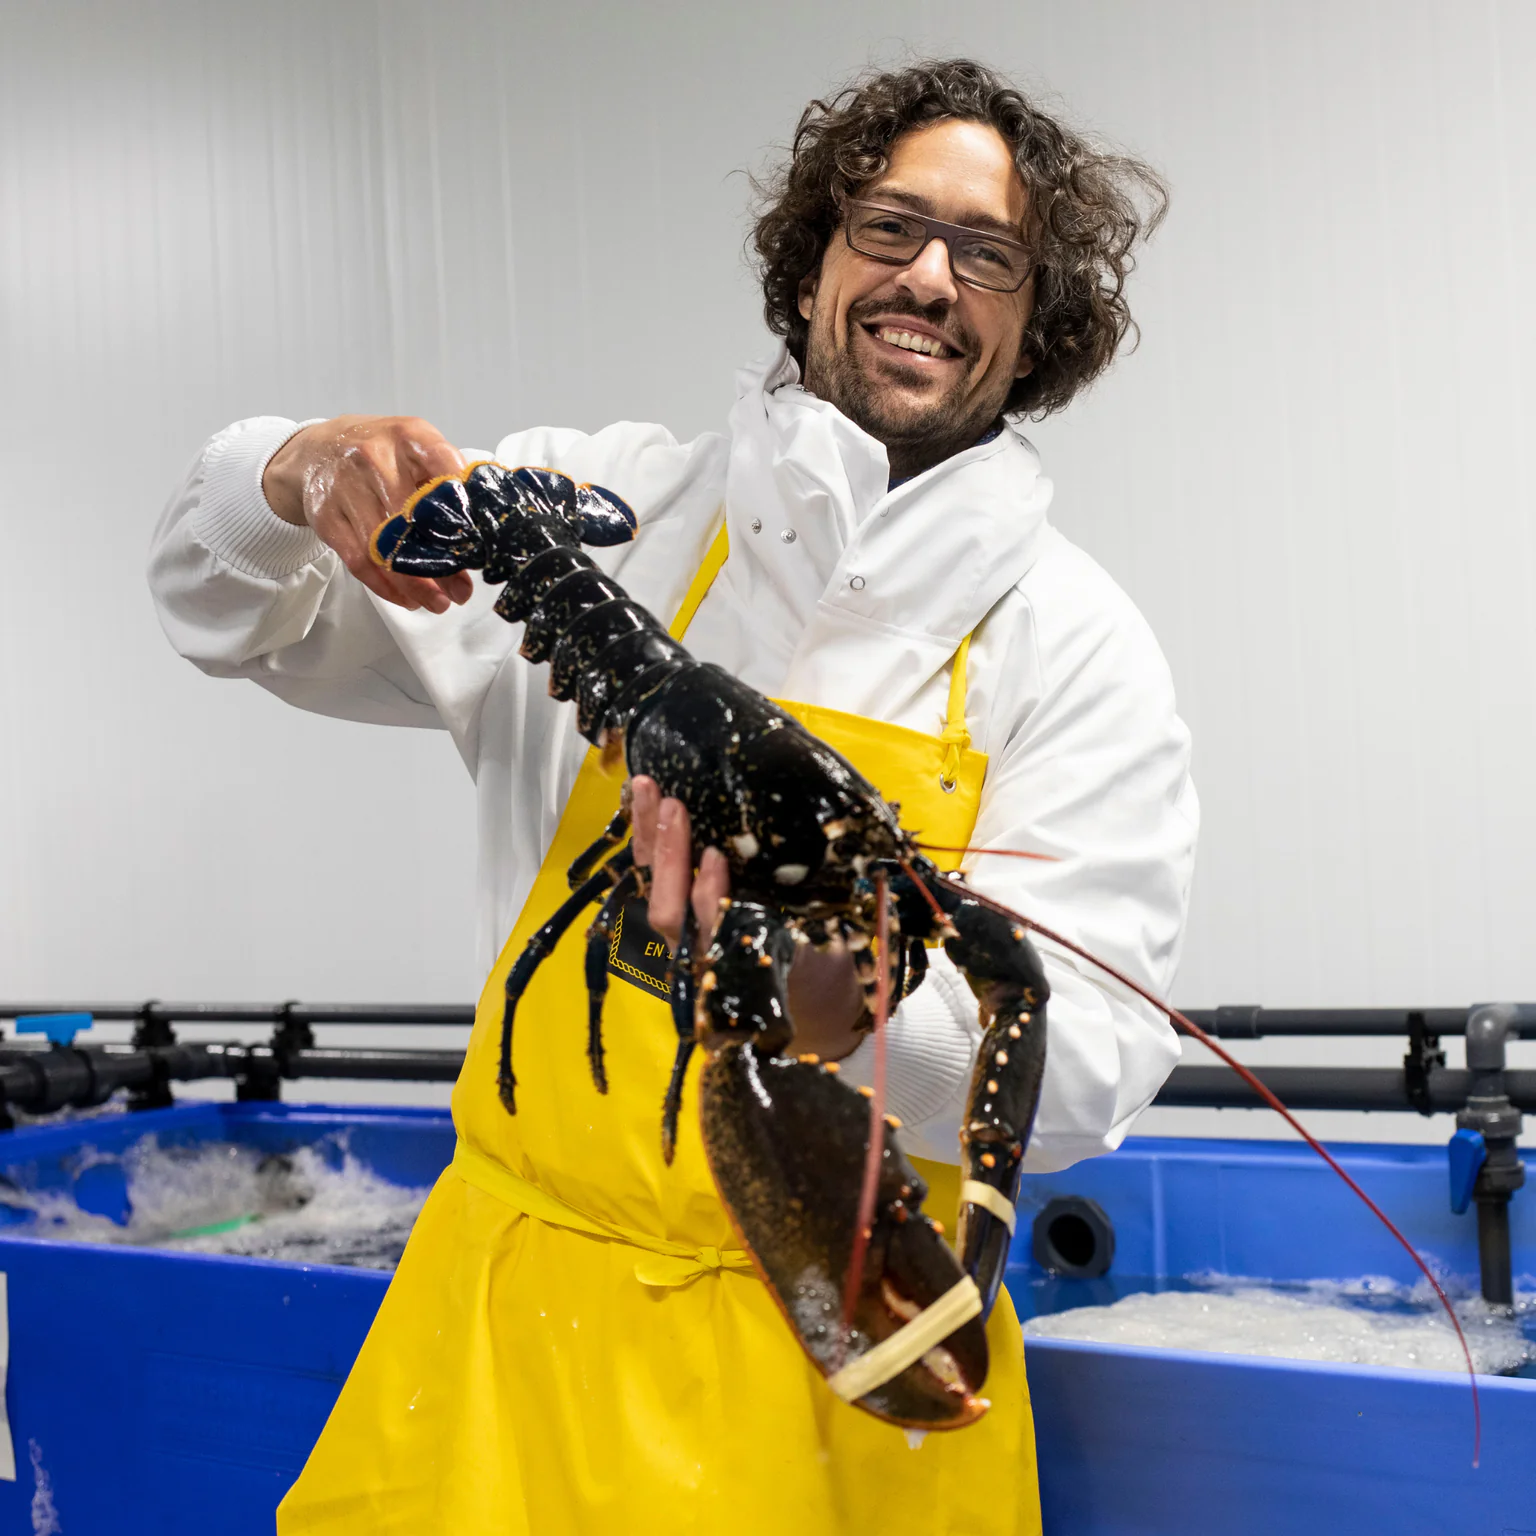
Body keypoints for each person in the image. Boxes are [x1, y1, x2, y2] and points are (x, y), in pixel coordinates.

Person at [148, 57, 1196, 1536]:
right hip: (509, 1355)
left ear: (1040, 320)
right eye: (890, 226)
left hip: (849, 1381)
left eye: (990, 252)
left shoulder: (1074, 644)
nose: (931, 278)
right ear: (816, 256)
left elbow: (1089, 1070)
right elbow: (219, 615)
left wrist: (853, 1006)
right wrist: (284, 470)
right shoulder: (615, 512)